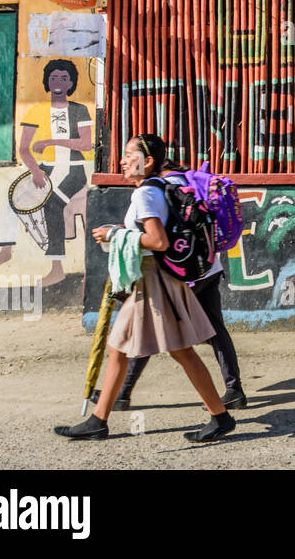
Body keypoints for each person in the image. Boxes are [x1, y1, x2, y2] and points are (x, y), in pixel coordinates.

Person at [53, 134, 235, 442]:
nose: (122, 160)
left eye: (128, 154)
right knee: (122, 349)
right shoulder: (160, 188)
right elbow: (152, 234)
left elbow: (157, 241)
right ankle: (99, 420)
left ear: (147, 161)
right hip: (154, 280)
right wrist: (124, 232)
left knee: (177, 352)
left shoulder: (144, 195)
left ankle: (220, 416)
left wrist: (115, 235)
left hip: (154, 282)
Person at [106, 158, 246, 411]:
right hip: (208, 266)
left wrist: (121, 234)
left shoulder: (159, 188)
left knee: (149, 329)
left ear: (152, 164)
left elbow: (161, 237)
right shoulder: (189, 182)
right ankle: (233, 389)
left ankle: (123, 393)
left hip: (180, 272)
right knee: (214, 330)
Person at [0, 59, 93, 286]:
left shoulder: (79, 109)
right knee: (12, 197)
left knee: (52, 204)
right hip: (46, 168)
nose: (58, 82)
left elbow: (85, 144)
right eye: (53, 77)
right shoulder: (37, 110)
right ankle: (6, 250)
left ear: (71, 83)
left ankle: (57, 268)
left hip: (73, 171)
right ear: (47, 81)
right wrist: (35, 171)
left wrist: (51, 141)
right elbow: (24, 148)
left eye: (64, 78)